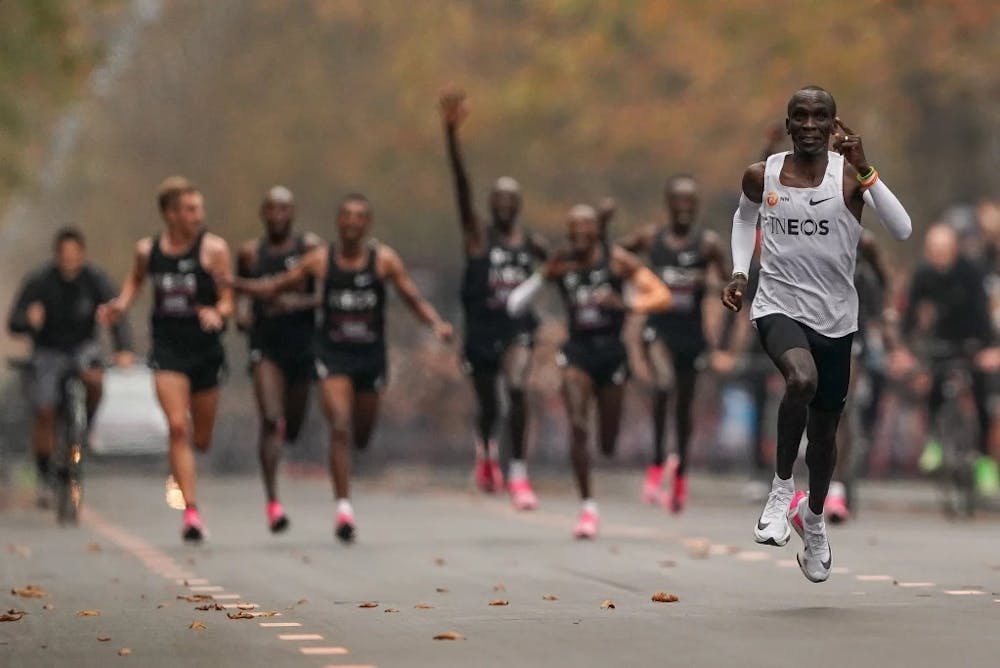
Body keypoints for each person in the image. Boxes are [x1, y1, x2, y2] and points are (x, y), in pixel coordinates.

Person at [724, 86, 911, 583]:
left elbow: (904, 229)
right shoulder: (761, 174)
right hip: (778, 306)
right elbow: (744, 218)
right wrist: (741, 273)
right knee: (799, 382)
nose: (809, 125)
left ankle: (813, 517)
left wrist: (868, 169)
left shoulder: (850, 176)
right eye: (800, 116)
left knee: (826, 434)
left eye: (819, 117)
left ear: (833, 124)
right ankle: (782, 487)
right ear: (788, 125)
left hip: (836, 317)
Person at [234, 193, 453, 543]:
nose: (352, 222)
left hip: (369, 356)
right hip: (332, 355)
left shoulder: (383, 260)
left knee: (361, 435)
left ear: (367, 224)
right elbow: (274, 286)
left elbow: (413, 297)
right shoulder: (320, 260)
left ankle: (347, 480)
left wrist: (436, 324)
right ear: (338, 222)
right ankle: (343, 509)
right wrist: (235, 286)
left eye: (359, 217)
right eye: (346, 216)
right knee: (339, 424)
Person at [508, 204, 671, 538]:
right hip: (577, 354)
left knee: (607, 442)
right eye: (574, 227)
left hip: (612, 356)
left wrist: (627, 305)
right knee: (578, 424)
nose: (580, 233)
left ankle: (604, 448)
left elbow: (661, 295)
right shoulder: (562, 263)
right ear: (568, 232)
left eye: (587, 226)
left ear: (597, 230)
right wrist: (542, 274)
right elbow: (515, 303)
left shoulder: (617, 260)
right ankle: (587, 508)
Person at [100, 177, 233, 542]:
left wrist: (218, 314)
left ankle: (188, 465)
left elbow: (228, 298)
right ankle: (191, 513)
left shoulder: (213, 249)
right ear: (170, 214)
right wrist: (119, 306)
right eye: (190, 209)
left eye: (199, 209)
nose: (198, 216)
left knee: (201, 438)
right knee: (177, 426)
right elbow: (134, 282)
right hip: (168, 349)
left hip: (205, 351)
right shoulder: (148, 250)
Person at [439, 88, 548, 509]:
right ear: (490, 206)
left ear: (518, 206)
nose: (503, 207)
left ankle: (518, 472)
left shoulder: (531, 245)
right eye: (497, 201)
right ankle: (485, 448)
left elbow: (555, 272)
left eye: (510, 201)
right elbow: (460, 186)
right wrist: (451, 136)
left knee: (517, 387)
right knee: (489, 403)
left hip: (517, 330)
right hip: (481, 333)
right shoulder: (477, 237)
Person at [618, 174, 730, 512]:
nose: (683, 207)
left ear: (696, 207)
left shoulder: (707, 244)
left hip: (692, 335)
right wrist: (640, 280)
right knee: (664, 385)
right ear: (668, 204)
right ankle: (656, 464)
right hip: (659, 329)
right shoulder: (652, 239)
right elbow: (616, 253)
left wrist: (712, 287)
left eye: (689, 202)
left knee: (684, 408)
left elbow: (730, 283)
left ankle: (680, 474)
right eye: (678, 201)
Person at [8, 227, 135, 507]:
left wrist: (124, 348)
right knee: (44, 409)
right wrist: (29, 321)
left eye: (74, 254)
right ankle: (44, 474)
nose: (69, 259)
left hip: (82, 347)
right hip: (48, 350)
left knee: (95, 379)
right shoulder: (40, 281)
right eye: (64, 255)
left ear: (82, 254)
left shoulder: (95, 280)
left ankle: (85, 426)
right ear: (56, 255)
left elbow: (116, 314)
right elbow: (13, 321)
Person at [236, 186, 323, 533]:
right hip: (266, 345)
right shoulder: (249, 252)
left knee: (293, 426)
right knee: (271, 419)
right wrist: (242, 314)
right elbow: (239, 291)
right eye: (271, 209)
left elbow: (322, 295)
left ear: (293, 212)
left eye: (283, 209)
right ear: (263, 213)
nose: (277, 216)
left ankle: (282, 439)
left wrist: (293, 303)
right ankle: (273, 502)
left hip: (302, 347)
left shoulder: (310, 249)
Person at [896, 224, 1000, 496]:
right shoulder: (923, 274)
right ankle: (935, 441)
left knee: (981, 395)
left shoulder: (970, 272)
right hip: (940, 341)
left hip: (973, 340)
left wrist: (991, 348)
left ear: (954, 250)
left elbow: (983, 315)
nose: (937, 256)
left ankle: (984, 460)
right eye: (933, 251)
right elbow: (910, 316)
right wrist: (904, 349)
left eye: (943, 250)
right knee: (934, 383)